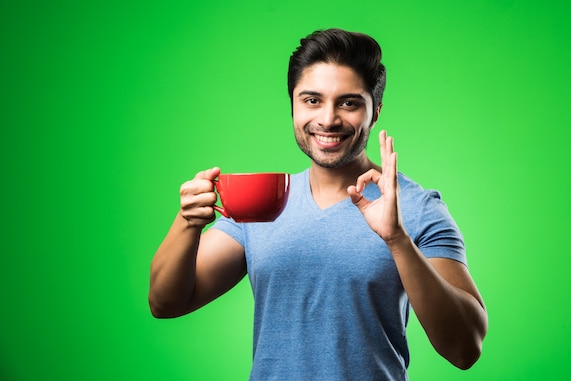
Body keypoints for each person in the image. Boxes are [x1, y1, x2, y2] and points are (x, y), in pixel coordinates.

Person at [149, 28, 488, 380]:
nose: (328, 119)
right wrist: (187, 222)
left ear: (375, 112)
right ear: (293, 105)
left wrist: (397, 240)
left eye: (349, 102)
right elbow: (166, 302)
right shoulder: (264, 203)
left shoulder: (415, 208)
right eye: (312, 100)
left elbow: (465, 349)